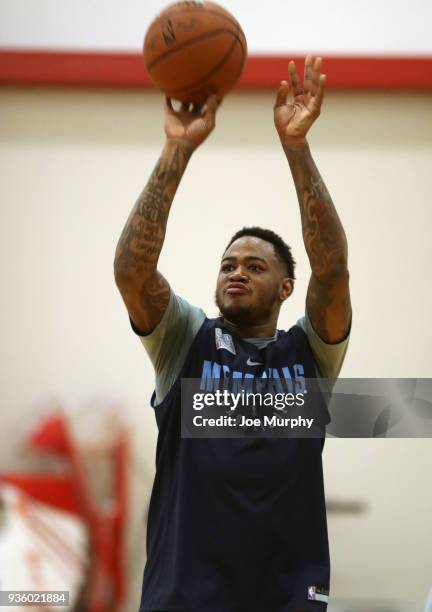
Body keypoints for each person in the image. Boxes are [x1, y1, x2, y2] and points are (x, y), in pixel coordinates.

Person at [114, 55, 351, 612]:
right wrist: (179, 148)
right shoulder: (184, 340)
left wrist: (295, 146)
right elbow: (133, 271)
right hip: (185, 597)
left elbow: (333, 269)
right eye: (227, 264)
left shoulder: (310, 353)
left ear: (287, 287)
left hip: (286, 595)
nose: (236, 271)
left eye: (254, 265)